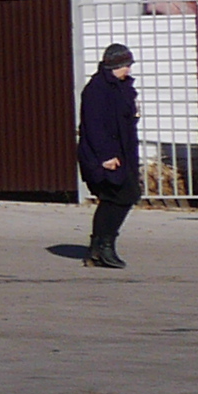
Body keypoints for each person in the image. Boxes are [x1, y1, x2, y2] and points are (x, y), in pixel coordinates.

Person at [78, 40, 141, 268]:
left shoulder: (122, 87)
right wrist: (105, 156)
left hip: (123, 153)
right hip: (104, 156)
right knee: (121, 196)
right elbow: (93, 126)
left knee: (117, 198)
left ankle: (99, 248)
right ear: (115, 66)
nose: (129, 70)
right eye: (126, 65)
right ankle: (103, 246)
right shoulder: (96, 90)